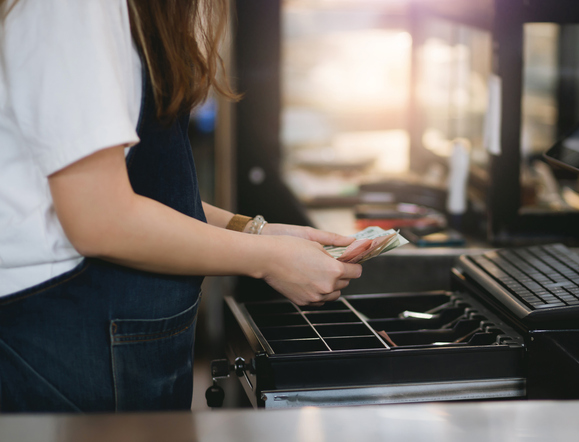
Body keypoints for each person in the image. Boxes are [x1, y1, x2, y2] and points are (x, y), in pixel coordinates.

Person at [0, 0, 362, 413]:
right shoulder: (77, 8)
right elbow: (99, 218)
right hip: (64, 337)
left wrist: (255, 230)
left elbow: (143, 192)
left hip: (112, 331)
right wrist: (268, 259)